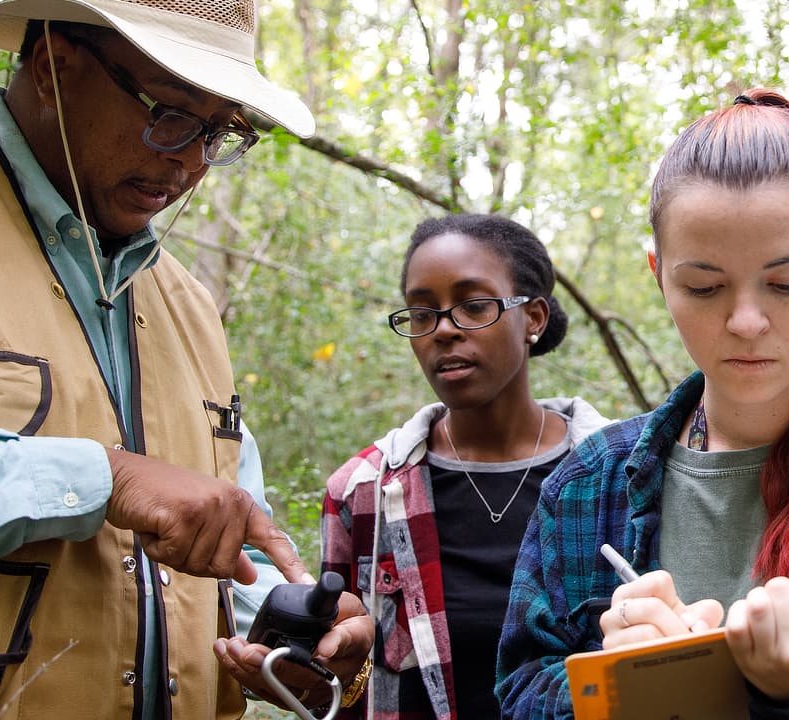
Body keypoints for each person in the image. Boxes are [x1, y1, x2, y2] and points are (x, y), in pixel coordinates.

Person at [0, 0, 372, 716]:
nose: (188, 161)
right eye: (171, 114)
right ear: (56, 67)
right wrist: (100, 477)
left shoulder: (187, 306)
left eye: (219, 133)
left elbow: (225, 559)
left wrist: (294, 637)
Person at [496, 89, 789, 718]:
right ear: (658, 275)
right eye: (704, 286)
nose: (747, 321)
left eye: (786, 283)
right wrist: (615, 685)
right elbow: (518, 689)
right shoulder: (589, 486)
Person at [238, 213, 610, 719]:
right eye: (421, 314)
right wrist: (332, 672)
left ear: (535, 319)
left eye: (474, 306)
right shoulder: (362, 491)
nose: (444, 330)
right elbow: (348, 686)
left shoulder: (621, 475)